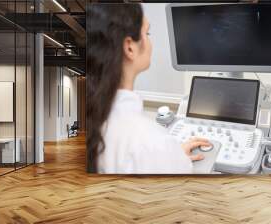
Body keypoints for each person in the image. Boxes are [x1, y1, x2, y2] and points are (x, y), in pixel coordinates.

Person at [86, 4, 210, 174]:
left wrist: (172, 156)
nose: (150, 41)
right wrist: (172, 158)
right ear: (130, 47)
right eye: (147, 33)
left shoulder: (93, 120)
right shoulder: (153, 142)